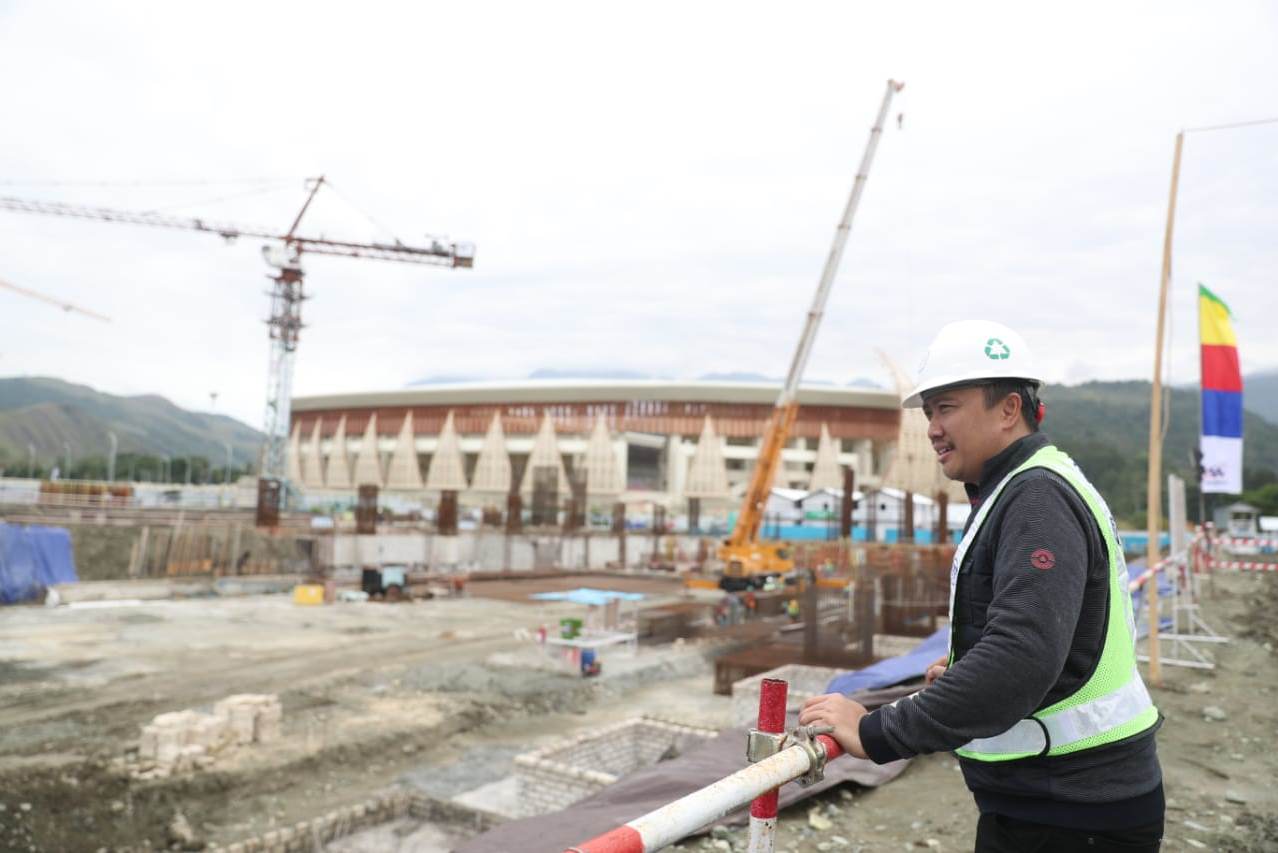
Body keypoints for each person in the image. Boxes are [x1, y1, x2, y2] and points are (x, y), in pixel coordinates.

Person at [800, 320, 1163, 852]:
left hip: (1071, 814)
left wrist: (877, 732)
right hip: (1060, 803)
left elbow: (1022, 656)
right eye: (928, 412)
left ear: (1009, 409)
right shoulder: (1021, 488)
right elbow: (1059, 640)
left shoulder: (1036, 496)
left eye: (946, 407)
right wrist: (970, 667)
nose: (931, 428)